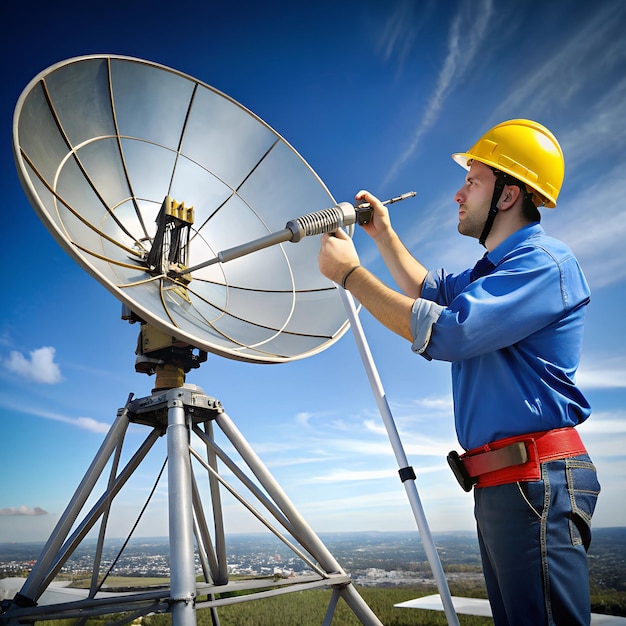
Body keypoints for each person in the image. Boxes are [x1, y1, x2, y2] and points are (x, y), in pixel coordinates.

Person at [318, 119, 601, 625]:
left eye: (472, 181)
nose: (458, 193)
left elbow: (450, 332)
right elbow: (431, 290)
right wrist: (382, 234)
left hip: (534, 479)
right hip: (504, 481)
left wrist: (349, 274)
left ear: (509, 194)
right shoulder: (490, 273)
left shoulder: (542, 263)